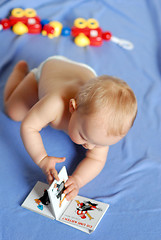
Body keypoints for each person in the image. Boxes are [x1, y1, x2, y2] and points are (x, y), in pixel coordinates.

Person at [3, 56, 137, 201]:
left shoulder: (99, 131)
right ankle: (21, 72)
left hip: (85, 73)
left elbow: (96, 160)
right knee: (14, 112)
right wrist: (42, 159)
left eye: (100, 144)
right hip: (50, 70)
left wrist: (78, 180)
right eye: (84, 136)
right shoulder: (55, 103)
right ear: (73, 107)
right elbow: (29, 126)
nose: (90, 146)